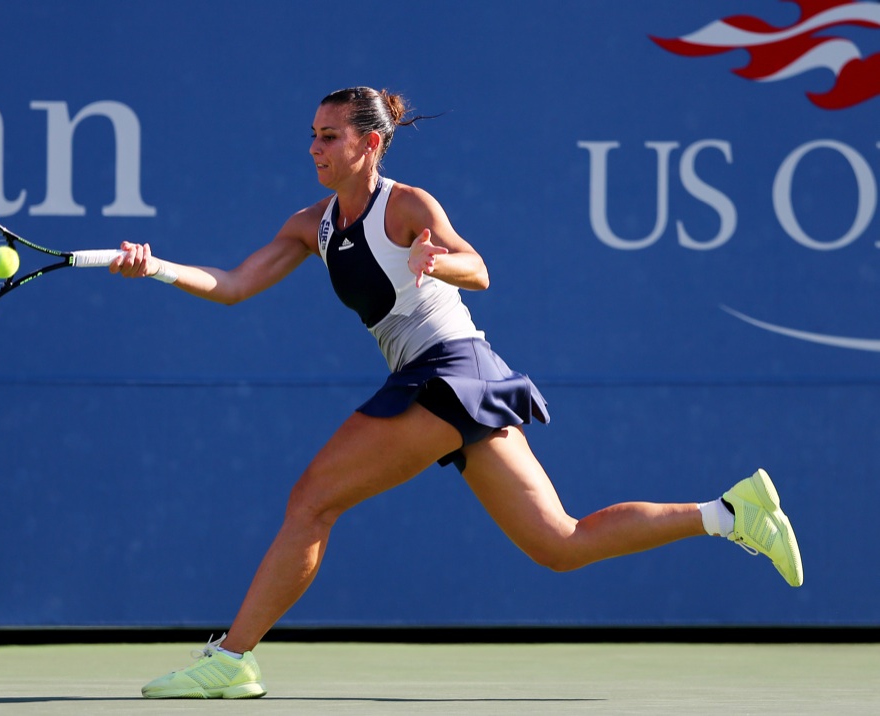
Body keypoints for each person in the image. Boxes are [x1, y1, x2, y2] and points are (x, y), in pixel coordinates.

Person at [110, 86, 803, 700]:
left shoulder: (406, 205)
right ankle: (729, 514)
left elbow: (479, 269)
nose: (314, 147)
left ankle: (233, 659)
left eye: (330, 136)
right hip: (457, 377)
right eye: (313, 135)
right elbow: (234, 285)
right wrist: (157, 267)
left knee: (313, 500)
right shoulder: (310, 224)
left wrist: (437, 259)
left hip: (448, 370)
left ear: (369, 143)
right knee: (560, 542)